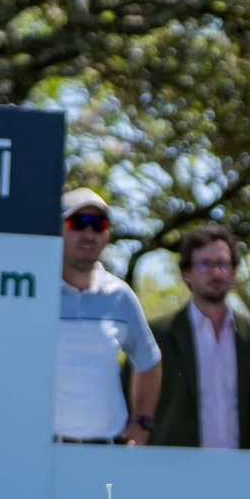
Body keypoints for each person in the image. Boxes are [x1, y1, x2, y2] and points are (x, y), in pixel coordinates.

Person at [148, 224, 250, 449]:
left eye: (223, 264)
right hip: (176, 471)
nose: (216, 273)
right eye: (206, 264)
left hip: (240, 470)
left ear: (234, 271)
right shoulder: (158, 335)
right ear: (186, 273)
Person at [54, 188, 161, 445]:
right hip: (40, 449)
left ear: (107, 235)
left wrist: (142, 422)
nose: (89, 233)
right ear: (58, 229)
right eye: (78, 223)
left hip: (105, 450)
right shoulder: (34, 291)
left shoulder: (120, 296)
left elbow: (149, 361)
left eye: (98, 225)